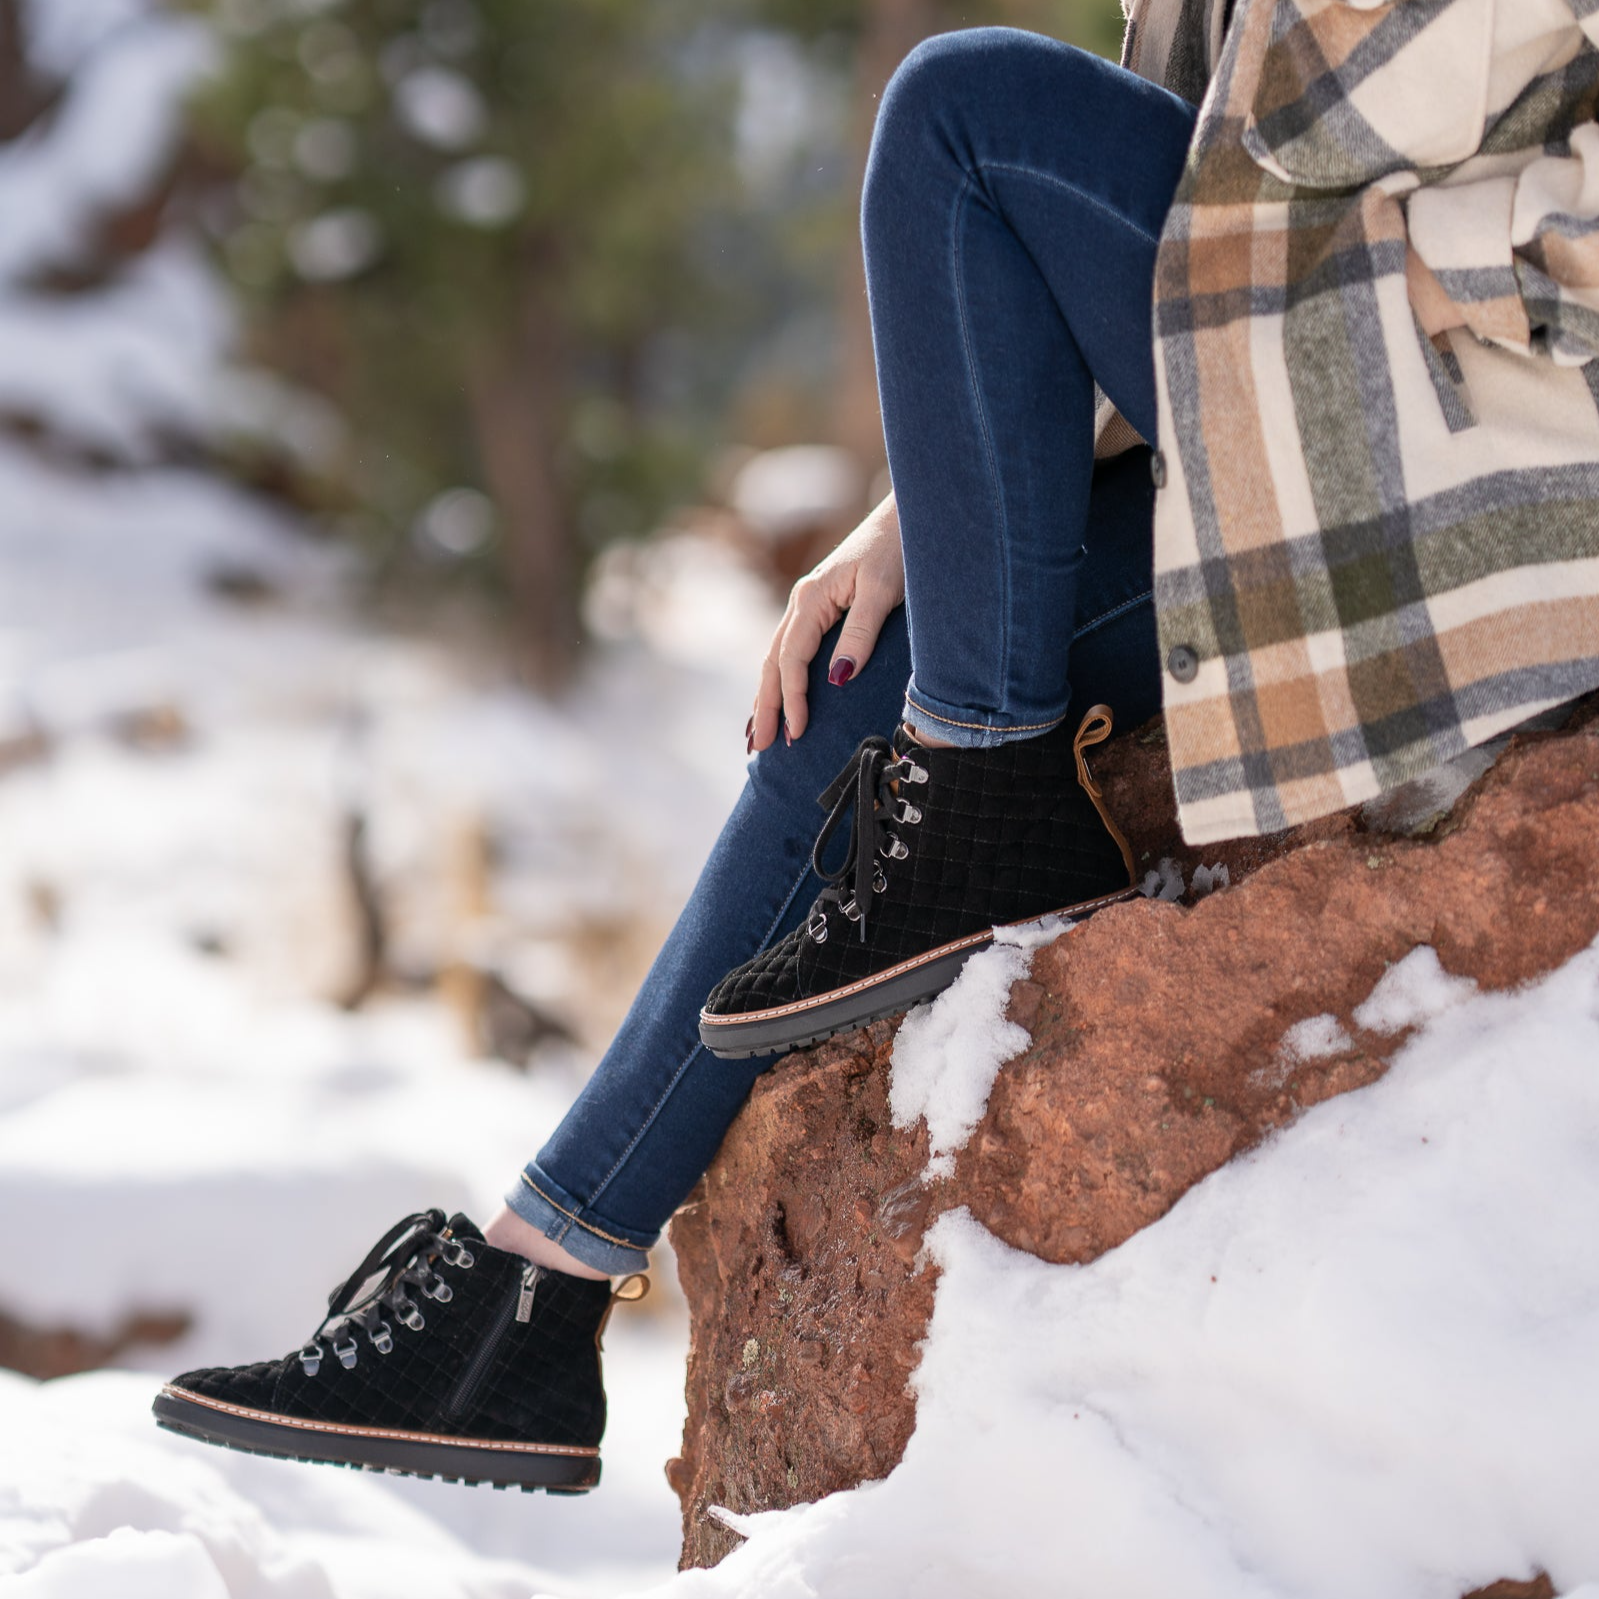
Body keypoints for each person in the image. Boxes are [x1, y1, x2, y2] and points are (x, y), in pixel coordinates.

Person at [151, 0, 1599, 1494]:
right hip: (1280, 427)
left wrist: (1383, 274)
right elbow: (1151, 216)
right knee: (858, 674)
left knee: (964, 108)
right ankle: (534, 1293)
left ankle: (985, 788)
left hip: (1482, 438)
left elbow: (1215, 230)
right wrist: (924, 516)